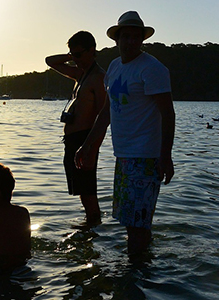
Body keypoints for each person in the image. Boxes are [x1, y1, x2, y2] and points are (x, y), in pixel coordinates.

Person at [75, 11, 175, 256]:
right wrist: (87, 146)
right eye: (126, 36)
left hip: (145, 157)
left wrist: (165, 156)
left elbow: (168, 114)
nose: (131, 41)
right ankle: (141, 269)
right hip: (124, 156)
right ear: (117, 39)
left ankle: (135, 274)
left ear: (142, 39)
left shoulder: (152, 69)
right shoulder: (115, 67)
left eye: (136, 37)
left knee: (137, 224)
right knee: (132, 222)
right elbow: (108, 111)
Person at [45, 31, 106, 224]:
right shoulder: (81, 74)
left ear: (92, 51)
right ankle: (87, 231)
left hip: (85, 140)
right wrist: (72, 56)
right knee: (81, 193)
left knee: (88, 194)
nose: (75, 60)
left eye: (79, 54)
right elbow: (50, 61)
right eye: (73, 54)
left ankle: (94, 229)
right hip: (72, 142)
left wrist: (91, 147)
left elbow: (104, 117)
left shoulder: (98, 78)